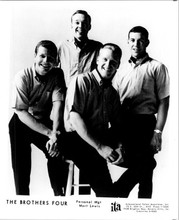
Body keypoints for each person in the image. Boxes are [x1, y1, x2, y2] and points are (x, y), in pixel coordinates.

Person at [113, 26, 170, 198]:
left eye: (140, 40)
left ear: (147, 42)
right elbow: (114, 101)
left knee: (146, 171)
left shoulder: (157, 67)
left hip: (145, 123)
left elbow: (164, 102)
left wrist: (158, 132)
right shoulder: (120, 69)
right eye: (132, 40)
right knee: (144, 164)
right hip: (124, 122)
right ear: (127, 41)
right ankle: (118, 192)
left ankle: (141, 205)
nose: (135, 44)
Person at [60, 43, 123, 197]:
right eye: (105, 59)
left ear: (118, 65)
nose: (108, 65)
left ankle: (116, 193)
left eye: (113, 62)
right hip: (74, 139)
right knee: (106, 193)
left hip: (97, 137)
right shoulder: (81, 81)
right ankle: (112, 195)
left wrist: (121, 147)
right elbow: (74, 119)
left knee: (145, 162)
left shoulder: (113, 93)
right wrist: (101, 147)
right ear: (97, 60)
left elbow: (117, 125)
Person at [9, 40, 67, 196]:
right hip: (23, 121)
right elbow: (21, 112)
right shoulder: (22, 76)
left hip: (45, 120)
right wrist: (49, 133)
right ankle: (22, 199)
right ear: (35, 57)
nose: (46, 62)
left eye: (51, 58)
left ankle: (59, 196)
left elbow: (58, 105)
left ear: (56, 61)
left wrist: (54, 133)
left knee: (56, 151)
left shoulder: (57, 74)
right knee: (21, 163)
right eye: (42, 56)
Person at [57, 9, 102, 88]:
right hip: (66, 95)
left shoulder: (98, 48)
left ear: (89, 27)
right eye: (77, 23)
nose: (80, 26)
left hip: (90, 95)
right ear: (71, 25)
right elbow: (54, 74)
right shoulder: (62, 47)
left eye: (84, 23)